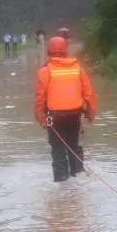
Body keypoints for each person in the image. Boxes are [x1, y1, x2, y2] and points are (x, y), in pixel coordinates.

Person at [34, 37, 97, 182]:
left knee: (57, 149)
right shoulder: (78, 69)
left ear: (49, 51)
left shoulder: (45, 71)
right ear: (65, 51)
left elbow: (39, 98)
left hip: (55, 118)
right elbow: (89, 94)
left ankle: (62, 184)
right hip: (74, 116)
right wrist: (91, 113)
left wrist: (41, 118)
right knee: (73, 146)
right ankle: (79, 177)